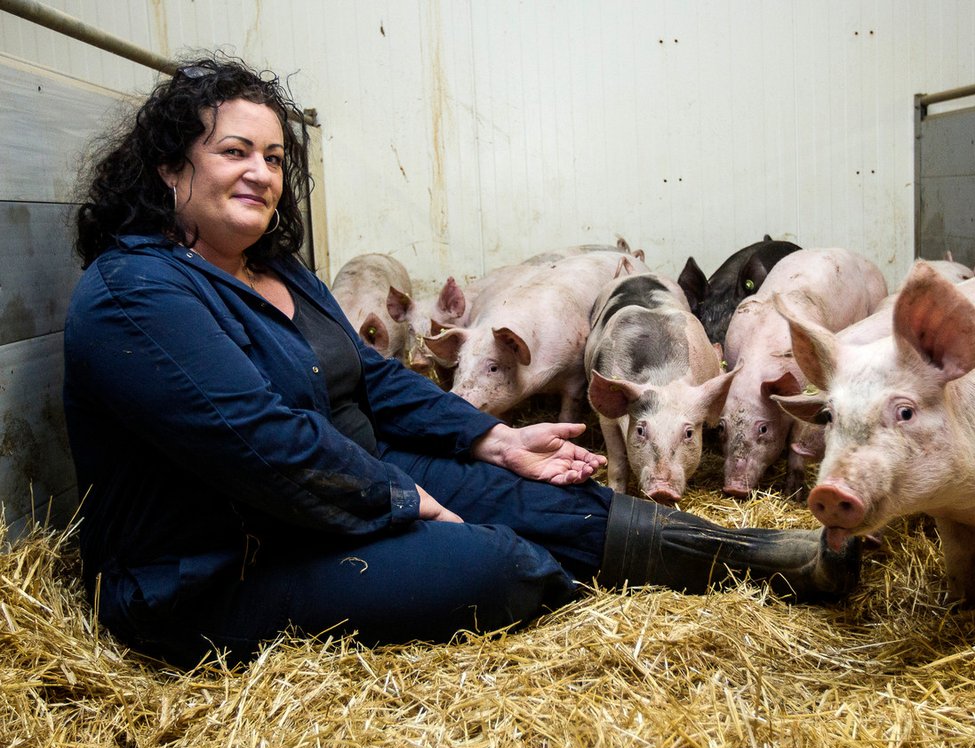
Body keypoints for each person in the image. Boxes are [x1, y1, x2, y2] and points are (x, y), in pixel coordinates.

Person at [64, 55, 859, 669]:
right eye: (235, 151)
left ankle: (767, 560)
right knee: (508, 564)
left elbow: (372, 378)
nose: (262, 173)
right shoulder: (136, 291)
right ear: (171, 168)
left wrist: (495, 442)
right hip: (220, 565)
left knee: (546, 496)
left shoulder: (279, 271)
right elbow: (262, 447)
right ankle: (565, 570)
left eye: (274, 157)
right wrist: (400, 500)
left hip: (345, 478)